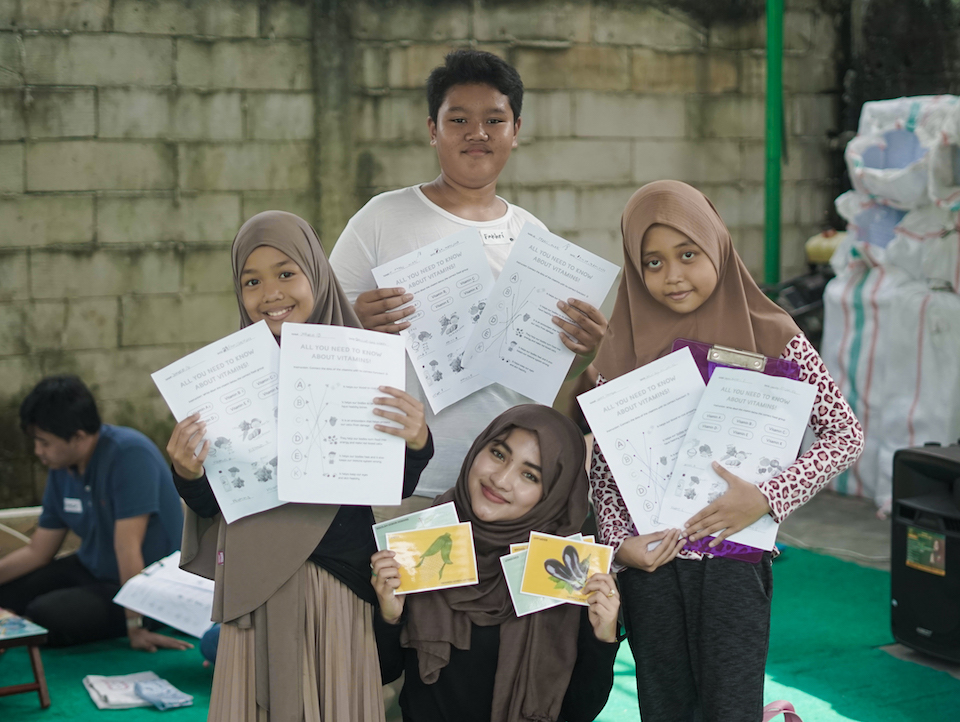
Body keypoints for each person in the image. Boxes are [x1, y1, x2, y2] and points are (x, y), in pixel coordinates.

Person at [590, 180, 865, 721]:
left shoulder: (774, 334)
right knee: (665, 707)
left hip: (733, 563)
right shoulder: (620, 350)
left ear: (716, 245)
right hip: (652, 570)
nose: (672, 275)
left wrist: (767, 497)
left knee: (730, 708)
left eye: (687, 254)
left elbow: (844, 434)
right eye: (652, 262)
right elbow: (606, 472)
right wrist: (621, 548)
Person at [167, 211, 433, 722]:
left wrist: (417, 440)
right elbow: (214, 503)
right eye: (251, 281)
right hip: (257, 583)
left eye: (286, 273)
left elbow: (391, 481)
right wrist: (188, 472)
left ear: (317, 274)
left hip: (337, 583)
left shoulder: (362, 363)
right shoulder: (226, 386)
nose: (270, 293)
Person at [331, 49, 607, 513]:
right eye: (458, 120)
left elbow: (549, 371)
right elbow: (318, 339)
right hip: (406, 479)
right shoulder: (382, 218)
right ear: (432, 129)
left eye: (494, 120)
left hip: (504, 491)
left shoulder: (533, 235)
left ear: (516, 130)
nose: (477, 133)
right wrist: (358, 320)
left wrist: (584, 351)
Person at [371, 405, 620, 722]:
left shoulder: (570, 571)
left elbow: (580, 711)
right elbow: (384, 672)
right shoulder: (424, 540)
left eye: (529, 475)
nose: (501, 480)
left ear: (554, 494)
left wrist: (603, 639)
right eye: (499, 454)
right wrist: (389, 616)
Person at [0, 375, 187, 651]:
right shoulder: (61, 467)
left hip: (145, 582)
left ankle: (145, 617)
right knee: (7, 593)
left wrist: (135, 626)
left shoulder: (129, 454)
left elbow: (127, 548)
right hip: (92, 568)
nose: (38, 451)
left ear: (78, 437)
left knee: (46, 615)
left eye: (44, 442)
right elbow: (38, 551)